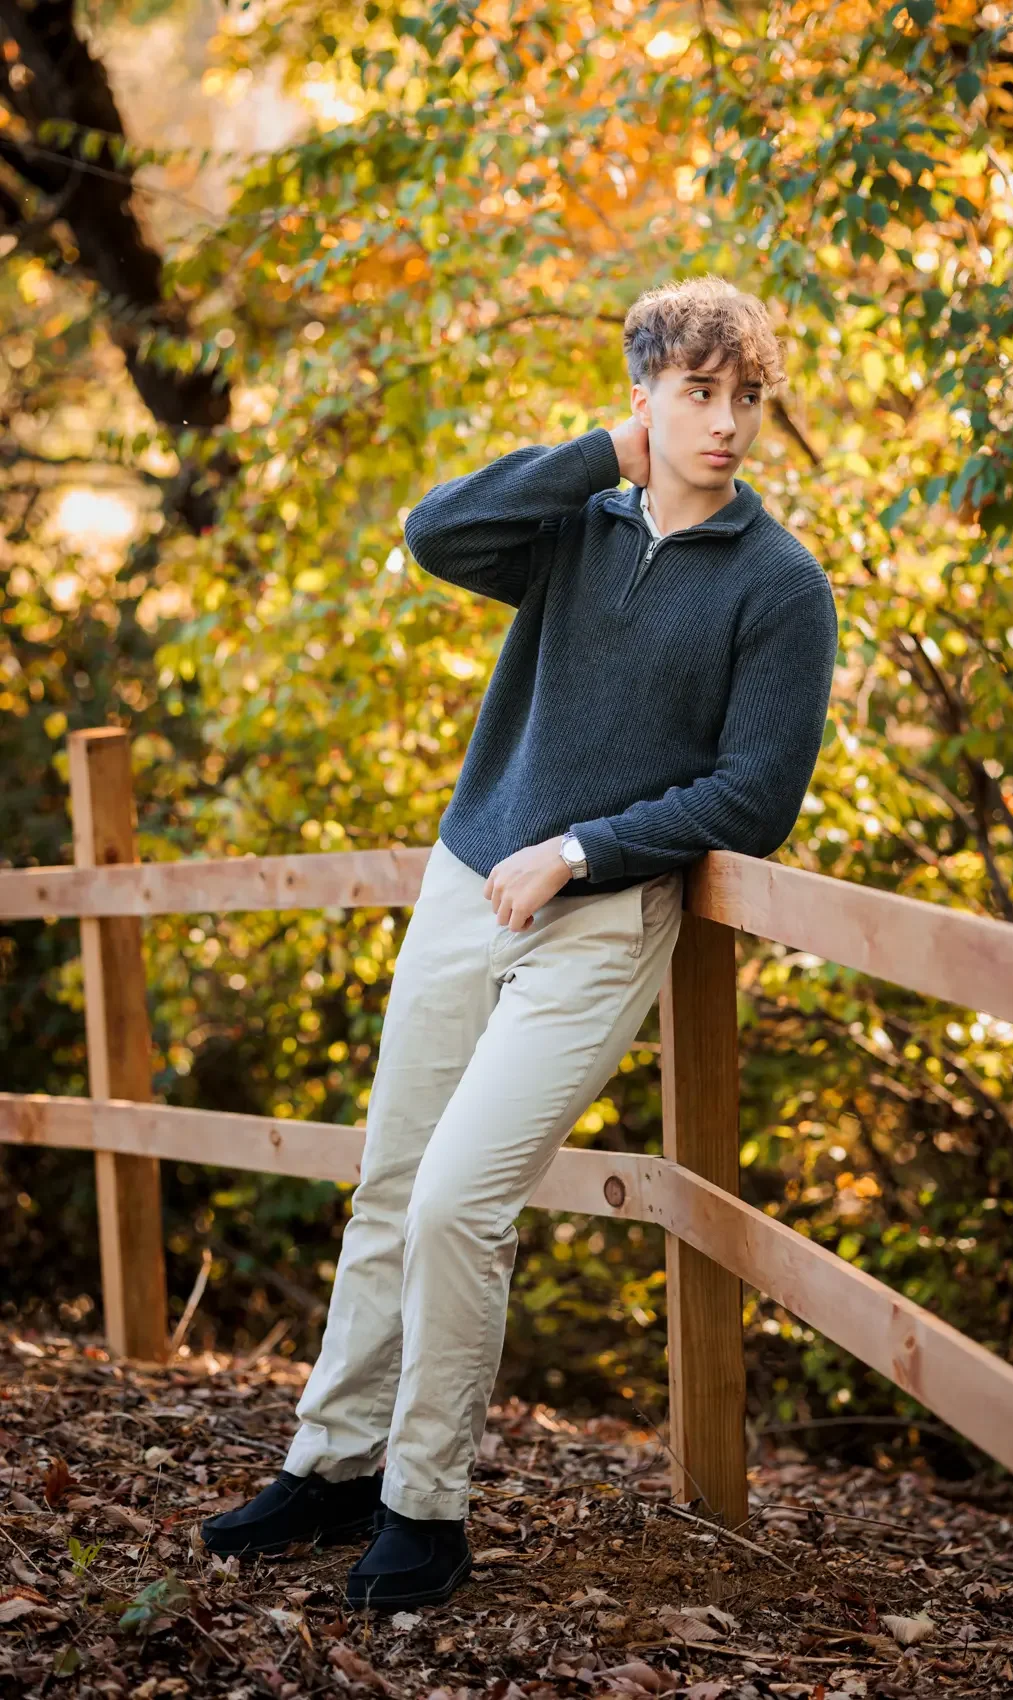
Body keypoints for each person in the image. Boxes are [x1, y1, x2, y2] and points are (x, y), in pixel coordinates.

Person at [200, 274, 839, 1611]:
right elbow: (438, 529)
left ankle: (422, 1512)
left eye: (746, 398)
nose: (726, 423)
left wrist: (584, 848)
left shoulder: (781, 587)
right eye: (696, 393)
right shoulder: (575, 527)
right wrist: (607, 459)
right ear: (645, 399)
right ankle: (328, 1468)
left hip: (597, 918)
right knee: (388, 1186)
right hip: (463, 878)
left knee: (457, 1199)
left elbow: (756, 796)